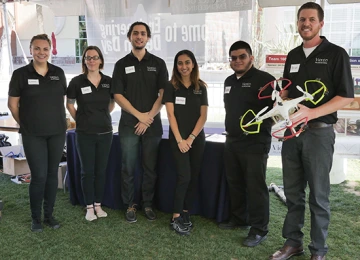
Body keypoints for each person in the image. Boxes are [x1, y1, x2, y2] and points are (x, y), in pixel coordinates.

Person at [269, 3, 354, 260]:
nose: (306, 23)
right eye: (302, 19)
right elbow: (288, 90)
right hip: (292, 134)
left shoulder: (336, 54)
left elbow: (346, 97)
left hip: (319, 133)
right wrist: (279, 98)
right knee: (293, 193)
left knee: (319, 196)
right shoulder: (293, 55)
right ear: (297, 23)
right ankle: (293, 242)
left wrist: (312, 113)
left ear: (321, 23)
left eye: (311, 19)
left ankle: (319, 251)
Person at [8, 34, 67, 232]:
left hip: (57, 133)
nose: (41, 52)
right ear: (31, 50)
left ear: (50, 51)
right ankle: (36, 218)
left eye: (45, 49)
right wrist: (25, 124)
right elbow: (12, 104)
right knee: (39, 175)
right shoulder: (20, 74)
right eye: (37, 48)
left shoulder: (58, 73)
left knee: (52, 175)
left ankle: (49, 215)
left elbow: (62, 101)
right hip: (33, 134)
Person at [111, 21, 168, 223]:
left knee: (150, 168)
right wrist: (139, 116)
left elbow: (163, 94)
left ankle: (148, 204)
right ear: (129, 37)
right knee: (127, 167)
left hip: (152, 125)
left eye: (143, 33)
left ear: (148, 38)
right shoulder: (121, 65)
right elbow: (117, 95)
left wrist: (148, 118)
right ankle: (129, 205)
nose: (139, 36)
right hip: (129, 125)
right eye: (135, 33)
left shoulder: (159, 64)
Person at [220, 40, 275, 247]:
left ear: (251, 58)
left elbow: (275, 110)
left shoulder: (265, 80)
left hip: (255, 142)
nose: (237, 61)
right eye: (233, 58)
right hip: (232, 140)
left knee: (255, 187)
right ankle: (239, 218)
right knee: (235, 183)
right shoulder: (228, 81)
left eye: (242, 56)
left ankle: (259, 229)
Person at [66, 46, 114, 222]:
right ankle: (89, 207)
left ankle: (98, 205)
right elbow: (69, 104)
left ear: (101, 60)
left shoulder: (108, 81)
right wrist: (82, 118)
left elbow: (111, 104)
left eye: (95, 57)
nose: (92, 61)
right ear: (84, 61)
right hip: (85, 133)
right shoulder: (77, 82)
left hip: (105, 132)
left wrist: (101, 116)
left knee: (101, 170)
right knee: (87, 171)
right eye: (88, 58)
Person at [163, 50, 208, 235]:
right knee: (184, 177)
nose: (184, 66)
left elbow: (203, 116)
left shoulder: (201, 87)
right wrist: (181, 139)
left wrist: (191, 138)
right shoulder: (171, 87)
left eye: (187, 62)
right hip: (178, 139)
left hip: (196, 139)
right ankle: (175, 216)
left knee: (194, 176)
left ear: (193, 64)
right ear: (176, 66)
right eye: (180, 63)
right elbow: (170, 115)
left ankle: (185, 212)